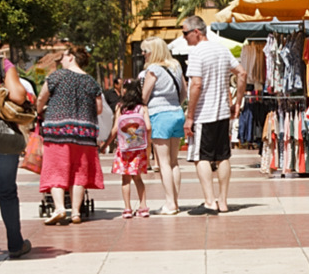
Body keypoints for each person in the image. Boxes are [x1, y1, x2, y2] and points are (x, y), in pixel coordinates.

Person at [181, 16, 247, 215]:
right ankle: (223, 201)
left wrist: (190, 115)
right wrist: (238, 102)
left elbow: (196, 84)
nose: (183, 37)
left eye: (185, 33)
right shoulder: (221, 49)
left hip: (204, 113)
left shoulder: (196, 53)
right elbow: (242, 73)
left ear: (196, 32)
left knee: (201, 157)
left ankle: (210, 201)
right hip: (222, 113)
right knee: (223, 156)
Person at [36, 47, 106, 225]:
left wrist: (39, 111)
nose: (60, 61)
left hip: (57, 131)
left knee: (55, 168)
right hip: (84, 133)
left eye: (62, 57)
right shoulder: (91, 81)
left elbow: (41, 99)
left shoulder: (56, 77)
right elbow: (99, 109)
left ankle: (60, 208)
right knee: (79, 172)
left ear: (71, 57)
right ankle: (75, 212)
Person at [141, 37, 187, 215]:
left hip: (159, 115)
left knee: (163, 163)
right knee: (174, 162)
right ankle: (175, 200)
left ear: (153, 52)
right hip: (176, 113)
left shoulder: (153, 70)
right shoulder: (176, 66)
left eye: (145, 51)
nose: (143, 54)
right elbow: (184, 91)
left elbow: (144, 97)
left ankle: (170, 203)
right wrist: (175, 103)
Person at [0, 54, 32, 258]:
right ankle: (15, 244)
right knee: (6, 192)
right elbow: (19, 96)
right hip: (1, 137)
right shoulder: (0, 64)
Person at [104, 80, 151, 218]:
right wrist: (147, 143)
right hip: (138, 148)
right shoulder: (142, 107)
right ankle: (143, 207)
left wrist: (105, 145)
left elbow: (114, 129)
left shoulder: (120, 107)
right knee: (137, 178)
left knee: (125, 180)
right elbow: (148, 127)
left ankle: (127, 209)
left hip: (124, 149)